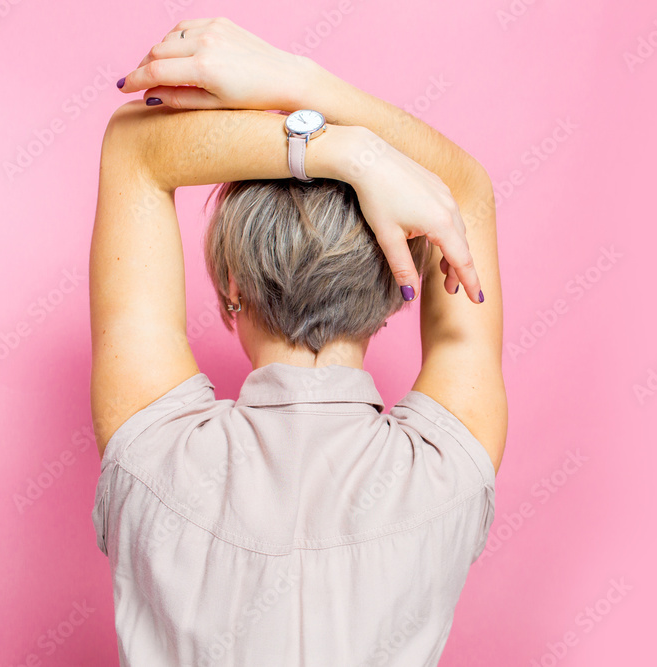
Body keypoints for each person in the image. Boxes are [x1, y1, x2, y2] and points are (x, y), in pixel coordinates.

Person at [89, 17, 507, 666]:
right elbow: (466, 193)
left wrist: (341, 153)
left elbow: (134, 150)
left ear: (231, 284)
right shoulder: (445, 470)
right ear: (395, 287)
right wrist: (303, 82)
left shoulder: (154, 453)